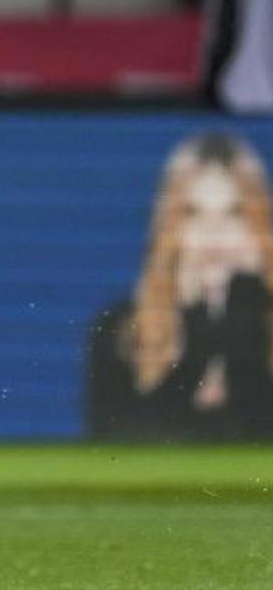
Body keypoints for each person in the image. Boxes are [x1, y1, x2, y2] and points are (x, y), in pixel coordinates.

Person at [87, 133, 273, 440]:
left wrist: (245, 343)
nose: (214, 237)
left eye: (235, 213)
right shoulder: (119, 330)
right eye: (192, 213)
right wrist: (196, 352)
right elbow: (113, 451)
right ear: (170, 231)